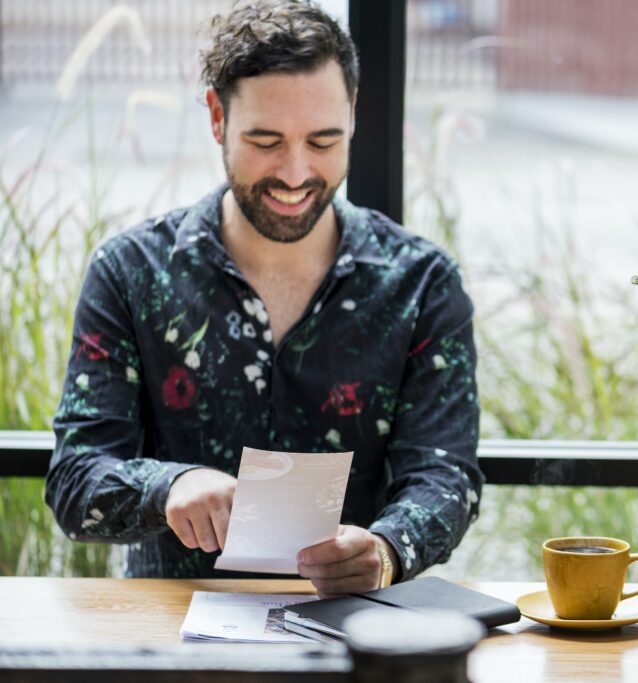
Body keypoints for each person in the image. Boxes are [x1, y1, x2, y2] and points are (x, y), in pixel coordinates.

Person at [45, 0, 483, 598]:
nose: (297, 173)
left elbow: (444, 475)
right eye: (266, 140)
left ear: (353, 117)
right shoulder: (129, 271)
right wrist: (169, 487)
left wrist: (387, 548)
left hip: (356, 631)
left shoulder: (423, 283)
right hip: (168, 633)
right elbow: (76, 478)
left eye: (324, 140)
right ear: (217, 119)